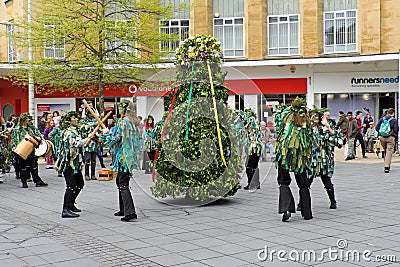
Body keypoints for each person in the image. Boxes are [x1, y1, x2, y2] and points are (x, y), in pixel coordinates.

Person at [100, 101, 141, 222]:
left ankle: (130, 212)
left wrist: (105, 135)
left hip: (123, 157)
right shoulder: (133, 123)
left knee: (123, 183)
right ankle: (123, 209)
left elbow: (116, 138)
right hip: (128, 157)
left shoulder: (124, 123)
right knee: (120, 181)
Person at [274, 97, 313, 222]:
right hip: (300, 155)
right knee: (303, 183)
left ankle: (286, 208)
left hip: (284, 153)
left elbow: (278, 128)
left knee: (283, 181)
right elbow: (310, 138)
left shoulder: (285, 116)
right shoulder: (306, 119)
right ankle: (307, 213)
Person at [55, 111, 90, 218]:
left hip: (76, 163)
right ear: (69, 120)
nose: (76, 120)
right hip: (68, 163)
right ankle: (65, 210)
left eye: (76, 118)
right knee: (71, 186)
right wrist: (86, 141)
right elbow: (75, 143)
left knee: (80, 184)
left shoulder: (76, 130)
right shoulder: (68, 133)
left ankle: (71, 204)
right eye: (74, 118)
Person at [307, 111, 343, 209]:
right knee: (307, 182)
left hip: (325, 161)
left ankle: (333, 201)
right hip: (313, 160)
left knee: (327, 182)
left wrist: (327, 126)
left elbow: (338, 142)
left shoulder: (328, 127)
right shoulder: (310, 129)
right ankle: (302, 203)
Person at [10, 113, 48, 188]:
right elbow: (13, 140)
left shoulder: (31, 128)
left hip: (31, 150)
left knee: (33, 165)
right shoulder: (17, 129)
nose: (29, 120)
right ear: (23, 120)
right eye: (28, 119)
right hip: (21, 150)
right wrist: (13, 147)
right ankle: (24, 182)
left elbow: (39, 135)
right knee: (23, 166)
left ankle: (37, 181)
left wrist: (38, 138)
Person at [375, 108, 399, 173]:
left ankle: (386, 163)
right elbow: (396, 129)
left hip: (382, 137)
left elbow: (377, 127)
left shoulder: (382, 119)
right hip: (390, 137)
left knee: (385, 150)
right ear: (393, 113)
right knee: (389, 151)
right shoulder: (394, 120)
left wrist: (380, 133)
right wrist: (392, 134)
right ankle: (386, 167)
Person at [80, 110, 99, 180]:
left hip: (94, 144)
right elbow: (82, 131)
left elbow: (98, 130)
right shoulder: (83, 122)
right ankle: (86, 174)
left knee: (93, 160)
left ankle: (93, 175)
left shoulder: (95, 121)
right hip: (87, 144)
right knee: (87, 159)